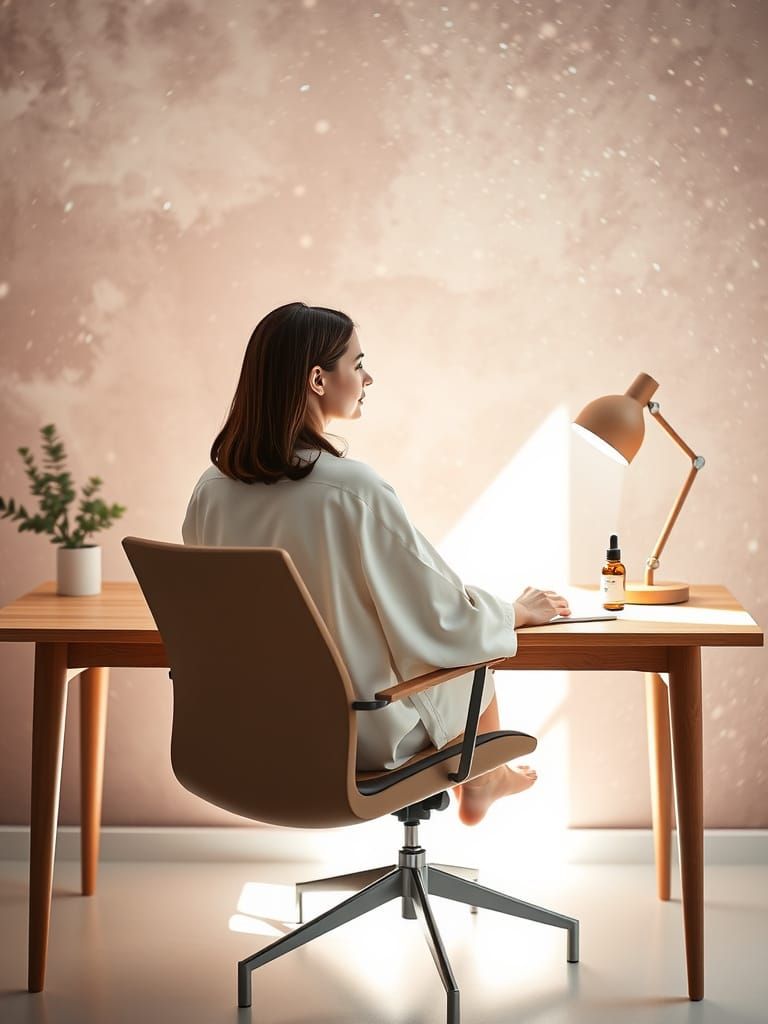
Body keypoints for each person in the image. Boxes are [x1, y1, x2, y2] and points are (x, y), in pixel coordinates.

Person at [182, 302, 571, 825]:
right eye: (357, 363)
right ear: (318, 379)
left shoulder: (210, 491)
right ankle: (484, 778)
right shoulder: (351, 490)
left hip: (247, 732)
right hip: (353, 738)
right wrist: (514, 613)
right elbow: (440, 615)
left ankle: (484, 780)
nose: (368, 377)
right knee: (472, 631)